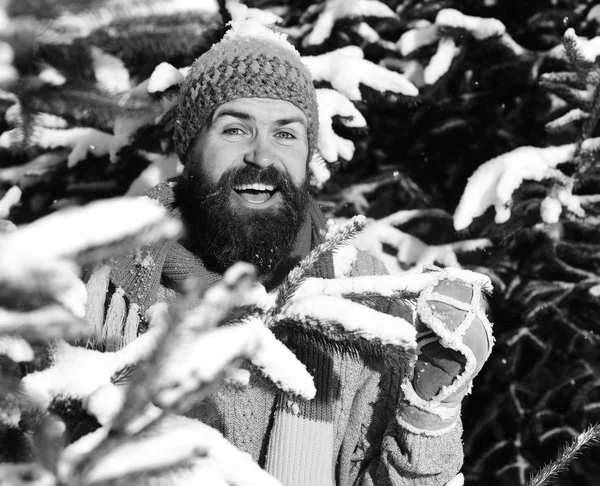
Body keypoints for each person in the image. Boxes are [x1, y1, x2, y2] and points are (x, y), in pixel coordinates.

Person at [84, 20, 493, 486]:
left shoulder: (358, 293)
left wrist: (429, 405)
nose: (261, 155)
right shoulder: (111, 286)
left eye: (285, 134)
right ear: (190, 148)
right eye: (235, 129)